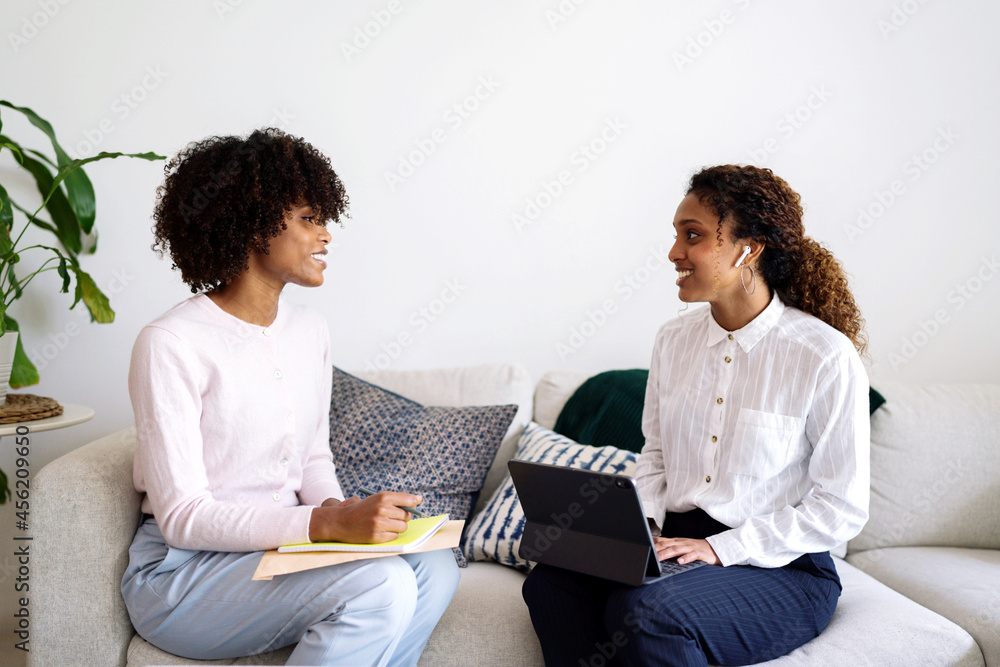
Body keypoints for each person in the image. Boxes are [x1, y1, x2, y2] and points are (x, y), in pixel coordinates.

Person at [121, 128, 459, 666]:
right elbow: (183, 517)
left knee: (436, 569)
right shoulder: (171, 343)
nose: (326, 236)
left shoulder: (310, 331)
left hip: (278, 551)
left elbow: (313, 458)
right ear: (251, 223)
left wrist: (336, 510)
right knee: (380, 585)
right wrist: (325, 527)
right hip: (184, 574)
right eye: (308, 218)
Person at [522, 164, 870, 666]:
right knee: (553, 586)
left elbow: (841, 507)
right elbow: (656, 456)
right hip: (676, 545)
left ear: (748, 248)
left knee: (646, 610)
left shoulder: (822, 355)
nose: (674, 253)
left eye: (694, 236)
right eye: (676, 235)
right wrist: (637, 533)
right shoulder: (673, 340)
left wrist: (722, 549)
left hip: (781, 567)